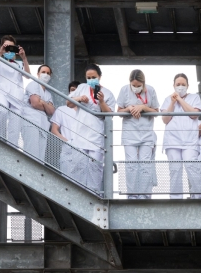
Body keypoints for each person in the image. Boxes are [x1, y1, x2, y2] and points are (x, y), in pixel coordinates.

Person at [70, 63, 116, 192]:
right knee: (78, 166)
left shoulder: (107, 93)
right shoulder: (81, 87)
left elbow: (110, 115)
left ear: (100, 76)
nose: (91, 80)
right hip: (80, 135)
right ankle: (78, 196)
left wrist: (101, 101)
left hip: (96, 136)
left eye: (93, 77)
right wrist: (79, 98)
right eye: (88, 77)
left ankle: (94, 195)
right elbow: (68, 103)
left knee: (95, 168)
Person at [116, 70, 159, 199]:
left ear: (143, 83)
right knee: (131, 165)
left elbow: (156, 112)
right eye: (133, 85)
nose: (136, 88)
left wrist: (144, 108)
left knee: (145, 165)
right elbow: (118, 112)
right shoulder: (124, 90)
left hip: (146, 133)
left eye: (138, 85)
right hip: (130, 133)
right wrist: (129, 109)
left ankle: (145, 195)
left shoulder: (150, 90)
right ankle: (132, 195)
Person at [161, 73, 201, 199]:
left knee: (192, 167)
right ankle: (175, 199)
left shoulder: (194, 98)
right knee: (175, 171)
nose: (180, 87)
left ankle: (199, 197)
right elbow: (165, 120)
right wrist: (173, 103)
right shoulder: (168, 99)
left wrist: (179, 99)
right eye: (178, 84)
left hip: (189, 141)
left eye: (183, 84)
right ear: (173, 86)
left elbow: (194, 115)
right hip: (172, 140)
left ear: (188, 86)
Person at [0, 35, 30, 146]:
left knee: (15, 126)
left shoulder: (19, 64)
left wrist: (24, 58)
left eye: (12, 47)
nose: (9, 50)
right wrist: (0, 53)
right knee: (2, 111)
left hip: (17, 97)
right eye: (7, 47)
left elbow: (28, 76)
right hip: (2, 93)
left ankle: (12, 148)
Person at [22, 64, 54, 162]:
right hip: (31, 122)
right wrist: (45, 104)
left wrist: (42, 102)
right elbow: (35, 103)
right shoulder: (33, 84)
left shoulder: (48, 94)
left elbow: (51, 111)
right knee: (31, 154)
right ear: (38, 74)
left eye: (48, 73)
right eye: (43, 72)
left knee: (40, 158)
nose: (46, 75)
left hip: (43, 126)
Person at [50, 81, 81, 178]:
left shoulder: (85, 110)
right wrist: (67, 142)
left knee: (82, 184)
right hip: (67, 149)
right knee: (67, 181)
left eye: (77, 90)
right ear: (69, 92)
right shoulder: (61, 109)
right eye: (72, 90)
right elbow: (54, 130)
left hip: (82, 149)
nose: (74, 92)